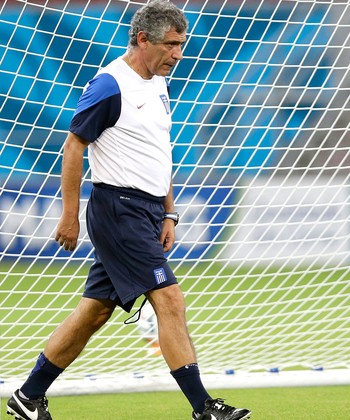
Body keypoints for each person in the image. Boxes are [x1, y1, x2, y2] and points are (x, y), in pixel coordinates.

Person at [6, 1, 251, 419]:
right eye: (172, 44)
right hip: (118, 209)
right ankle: (204, 408)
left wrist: (169, 212)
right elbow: (73, 147)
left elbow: (160, 153)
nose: (178, 53)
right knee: (170, 300)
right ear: (142, 39)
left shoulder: (157, 83)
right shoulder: (109, 85)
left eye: (181, 44)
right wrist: (67, 216)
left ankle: (28, 396)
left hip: (147, 211)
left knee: (95, 310)